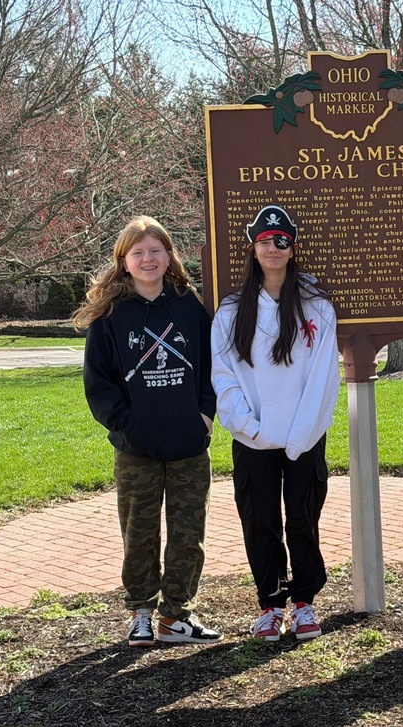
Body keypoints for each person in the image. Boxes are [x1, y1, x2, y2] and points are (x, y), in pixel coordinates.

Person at [73, 215, 222, 647]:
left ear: (169, 255)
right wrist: (126, 424)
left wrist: (206, 414)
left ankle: (176, 616)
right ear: (124, 261)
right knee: (139, 533)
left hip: (188, 444)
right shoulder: (110, 315)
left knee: (188, 534)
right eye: (138, 252)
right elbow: (98, 384)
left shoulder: (189, 306)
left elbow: (213, 368)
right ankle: (141, 611)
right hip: (136, 448)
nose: (148, 258)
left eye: (156, 250)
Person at [211, 205, 340, 642]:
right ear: (253, 246)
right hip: (253, 437)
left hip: (305, 437)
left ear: (293, 247)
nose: (273, 248)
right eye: (265, 240)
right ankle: (270, 604)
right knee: (260, 519)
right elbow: (223, 375)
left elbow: (323, 377)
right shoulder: (231, 312)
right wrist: (249, 427)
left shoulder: (316, 308)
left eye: (282, 240)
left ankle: (304, 602)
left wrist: (301, 435)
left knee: (303, 518)